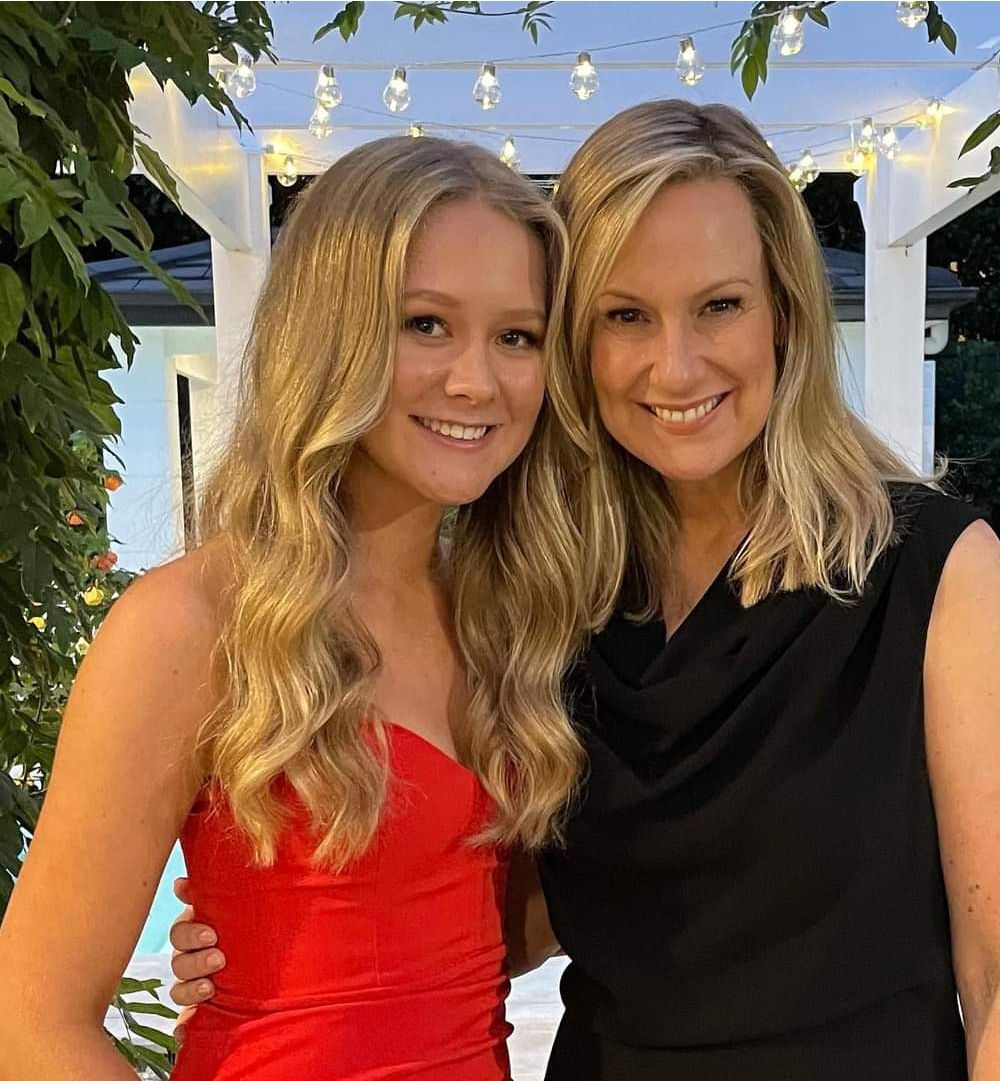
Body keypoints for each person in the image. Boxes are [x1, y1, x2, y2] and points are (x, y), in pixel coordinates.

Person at [169, 102, 1000, 1079]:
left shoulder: (927, 567)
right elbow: (510, 915)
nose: (676, 365)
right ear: (574, 343)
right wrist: (279, 943)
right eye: (626, 315)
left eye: (720, 305)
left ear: (785, 313)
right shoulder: (546, 593)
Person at [0, 136, 593, 1081]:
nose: (477, 380)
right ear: (331, 334)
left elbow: (461, 941)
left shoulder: (503, 618)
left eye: (517, 336)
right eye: (426, 324)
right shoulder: (193, 623)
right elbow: (29, 1022)